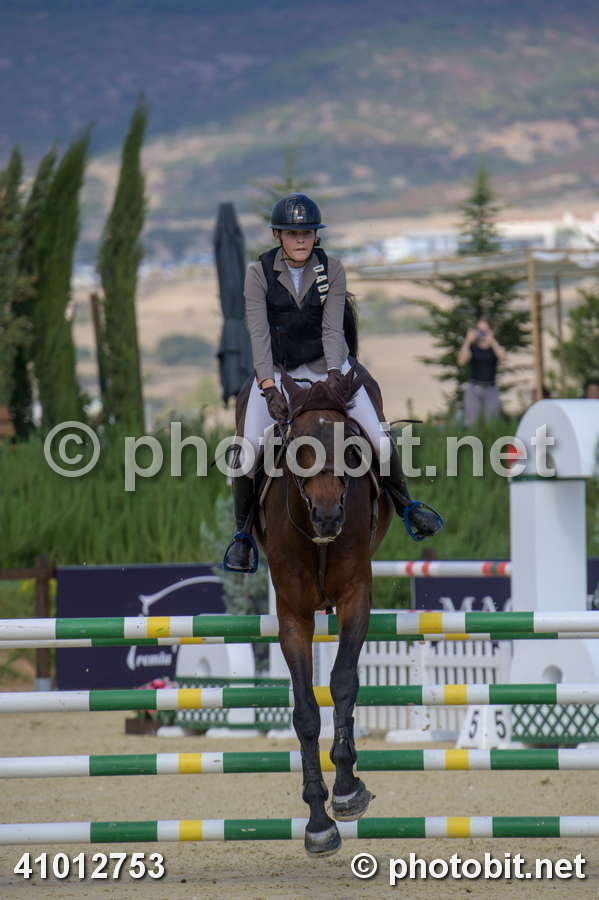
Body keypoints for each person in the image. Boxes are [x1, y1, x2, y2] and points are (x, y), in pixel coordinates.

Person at [223, 193, 443, 572]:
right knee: (246, 454)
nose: (301, 240)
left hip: (329, 366)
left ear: (316, 235)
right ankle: (242, 536)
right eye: (293, 234)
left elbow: (331, 329)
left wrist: (337, 377)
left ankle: (407, 506)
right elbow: (258, 334)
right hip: (278, 372)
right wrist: (268, 387)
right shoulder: (258, 274)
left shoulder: (332, 270)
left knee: (380, 441)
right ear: (278, 235)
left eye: (307, 233)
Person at [457, 317, 506, 426]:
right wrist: (467, 341)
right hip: (474, 388)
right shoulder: (472, 347)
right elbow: (461, 361)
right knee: (472, 422)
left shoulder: (494, 347)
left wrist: (492, 341)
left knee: (492, 422)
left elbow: (503, 357)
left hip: (491, 388)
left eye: (485, 331)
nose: (482, 334)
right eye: (479, 331)